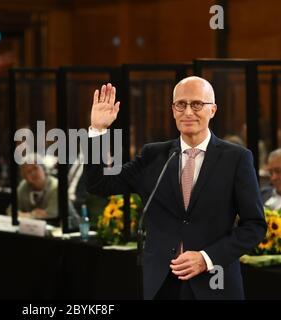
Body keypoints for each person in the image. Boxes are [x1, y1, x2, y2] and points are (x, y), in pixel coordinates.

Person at [84, 77, 266, 300]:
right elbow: (98, 184)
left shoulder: (237, 158)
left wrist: (206, 258)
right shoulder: (153, 155)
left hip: (214, 283)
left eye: (197, 104)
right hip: (161, 284)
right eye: (181, 104)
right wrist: (97, 131)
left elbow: (254, 226)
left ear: (213, 110)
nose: (188, 112)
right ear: (173, 110)